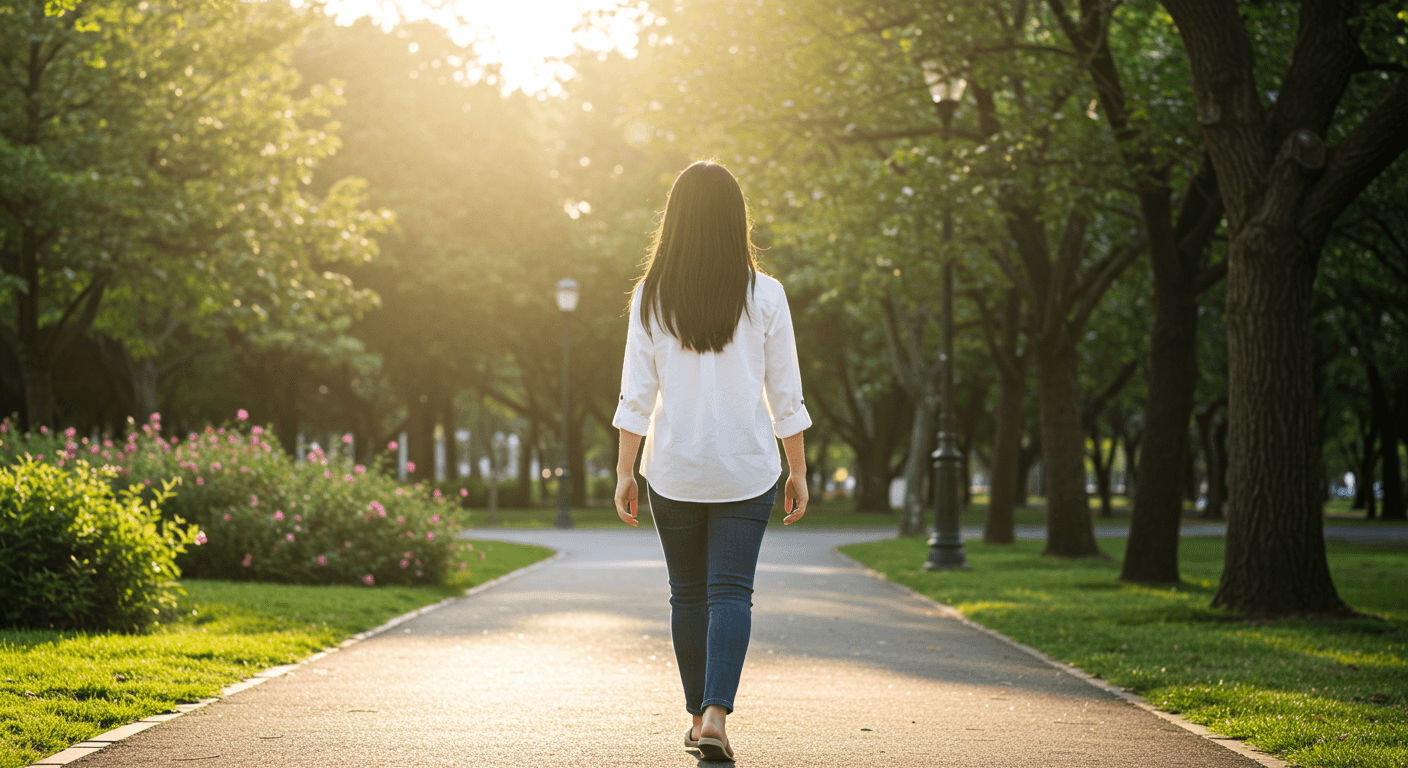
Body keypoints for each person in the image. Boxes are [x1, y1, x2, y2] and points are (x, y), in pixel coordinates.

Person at [611, 160, 811, 762]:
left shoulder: (651, 296)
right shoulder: (767, 295)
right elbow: (787, 392)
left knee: (687, 595)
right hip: (746, 468)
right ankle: (717, 715)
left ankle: (698, 714)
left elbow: (635, 393)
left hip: (673, 467)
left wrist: (625, 468)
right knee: (731, 592)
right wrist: (796, 468)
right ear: (735, 220)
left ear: (674, 221)